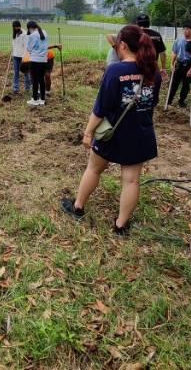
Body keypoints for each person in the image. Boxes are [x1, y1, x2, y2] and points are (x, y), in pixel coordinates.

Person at [60, 25, 161, 234]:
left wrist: (88, 132)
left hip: (112, 133)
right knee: (131, 180)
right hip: (140, 133)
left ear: (123, 45)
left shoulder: (115, 71)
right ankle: (120, 226)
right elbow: (153, 103)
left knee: (94, 168)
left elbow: (101, 107)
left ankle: (78, 207)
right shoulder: (153, 72)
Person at [166, 22, 191, 107]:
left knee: (185, 84)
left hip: (189, 64)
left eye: (188, 29)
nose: (185, 31)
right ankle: (169, 100)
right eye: (184, 29)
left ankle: (181, 101)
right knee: (173, 83)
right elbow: (174, 52)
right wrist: (172, 64)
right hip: (179, 63)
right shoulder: (178, 40)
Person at [135, 13, 168, 78]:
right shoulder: (156, 35)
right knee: (151, 85)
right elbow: (162, 53)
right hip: (153, 66)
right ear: (149, 23)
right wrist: (163, 68)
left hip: (136, 66)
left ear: (137, 23)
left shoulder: (134, 34)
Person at [25, 20, 49, 105]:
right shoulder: (45, 32)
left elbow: (29, 49)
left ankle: (35, 99)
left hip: (35, 60)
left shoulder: (32, 35)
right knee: (41, 80)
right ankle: (42, 99)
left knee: (34, 80)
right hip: (44, 60)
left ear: (30, 28)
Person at [11, 20, 31, 95]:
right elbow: (14, 44)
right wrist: (12, 51)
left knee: (26, 73)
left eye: (17, 26)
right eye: (15, 27)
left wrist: (25, 57)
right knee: (16, 72)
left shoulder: (25, 34)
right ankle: (15, 88)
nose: (16, 28)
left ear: (19, 26)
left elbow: (26, 47)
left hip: (23, 57)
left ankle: (27, 88)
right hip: (15, 56)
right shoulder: (14, 33)